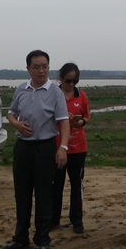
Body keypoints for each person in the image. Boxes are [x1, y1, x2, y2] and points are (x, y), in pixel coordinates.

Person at [4, 50, 70, 249]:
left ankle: (42, 240)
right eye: (36, 67)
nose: (41, 71)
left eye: (45, 67)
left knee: (44, 195)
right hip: (23, 147)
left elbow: (64, 121)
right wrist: (16, 124)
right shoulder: (21, 89)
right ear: (28, 69)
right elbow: (11, 112)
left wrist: (63, 148)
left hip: (45, 147)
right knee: (22, 194)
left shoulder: (55, 92)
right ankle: (20, 237)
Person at [52, 63, 90, 234]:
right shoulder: (53, 95)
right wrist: (60, 116)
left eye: (75, 81)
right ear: (61, 78)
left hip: (78, 148)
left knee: (76, 185)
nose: (71, 84)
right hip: (57, 146)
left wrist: (81, 121)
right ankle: (53, 220)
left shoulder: (81, 96)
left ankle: (77, 220)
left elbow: (87, 116)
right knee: (56, 185)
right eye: (68, 81)